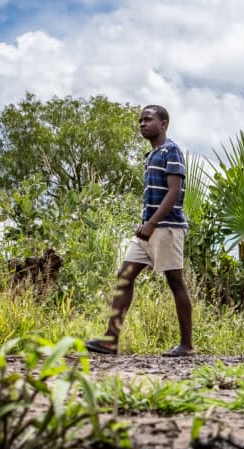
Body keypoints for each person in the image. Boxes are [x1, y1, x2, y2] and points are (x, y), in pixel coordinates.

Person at [86, 105, 194, 357]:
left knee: (175, 282)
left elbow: (174, 191)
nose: (142, 124)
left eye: (148, 120)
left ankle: (187, 345)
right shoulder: (151, 156)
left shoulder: (171, 150)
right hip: (148, 229)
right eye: (140, 121)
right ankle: (110, 340)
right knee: (125, 275)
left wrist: (152, 223)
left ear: (164, 124)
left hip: (167, 228)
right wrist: (145, 224)